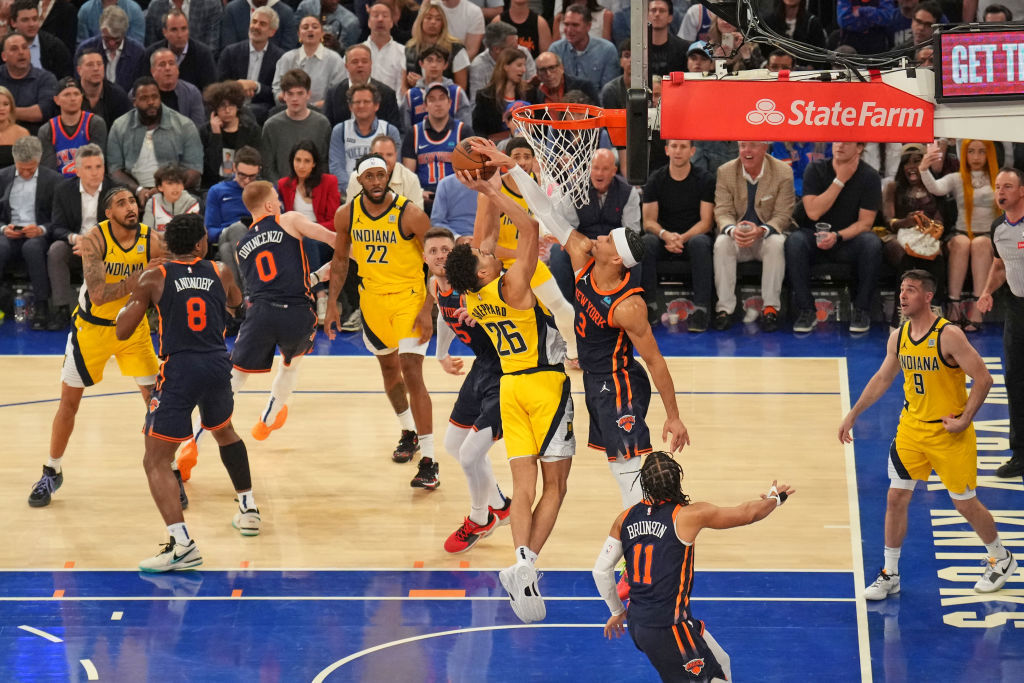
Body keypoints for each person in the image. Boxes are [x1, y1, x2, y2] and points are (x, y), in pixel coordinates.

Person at [498, 142, 689, 506]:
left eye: (605, 239)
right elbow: (546, 212)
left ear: (615, 258)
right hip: (594, 379)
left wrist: (675, 417)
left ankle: (638, 546)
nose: (597, 237)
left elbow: (656, 362)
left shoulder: (628, 306)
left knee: (629, 474)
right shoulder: (583, 261)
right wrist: (512, 167)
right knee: (621, 470)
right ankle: (632, 544)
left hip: (619, 384)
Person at [443, 143, 575, 624]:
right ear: (482, 270)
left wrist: (480, 192)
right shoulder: (513, 285)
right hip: (544, 387)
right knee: (556, 486)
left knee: (523, 488)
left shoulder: (475, 298)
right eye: (482, 257)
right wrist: (496, 188)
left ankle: (520, 562)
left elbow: (481, 242)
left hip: (511, 390)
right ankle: (527, 563)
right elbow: (530, 228)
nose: (487, 255)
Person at [840, 269, 1016, 598]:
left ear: (928, 296)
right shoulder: (900, 336)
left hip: (949, 433)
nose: (903, 296)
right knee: (896, 497)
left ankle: (1002, 558)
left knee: (965, 504)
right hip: (911, 430)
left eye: (910, 290)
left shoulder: (948, 335)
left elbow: (984, 378)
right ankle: (890, 573)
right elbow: (882, 379)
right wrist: (853, 414)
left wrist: (965, 419)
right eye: (901, 290)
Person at [114, 213, 256, 572]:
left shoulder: (154, 276)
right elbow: (237, 304)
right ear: (199, 245)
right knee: (224, 431)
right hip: (216, 363)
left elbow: (122, 330)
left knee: (155, 460)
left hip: (180, 369)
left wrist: (138, 293)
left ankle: (182, 545)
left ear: (168, 246)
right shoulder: (220, 271)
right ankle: (248, 508)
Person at [175, 180, 336, 480]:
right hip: (297, 315)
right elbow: (329, 238)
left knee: (232, 382)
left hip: (260, 314)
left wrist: (314, 276)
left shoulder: (241, 245)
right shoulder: (289, 220)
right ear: (272, 205)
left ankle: (191, 445)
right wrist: (355, 258)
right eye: (277, 198)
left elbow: (267, 287)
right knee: (290, 366)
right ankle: (267, 419)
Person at [593, 451, 793, 681]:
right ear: (677, 480)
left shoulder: (624, 518)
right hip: (668, 627)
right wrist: (775, 498)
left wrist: (617, 611)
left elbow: (600, 571)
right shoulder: (688, 515)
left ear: (644, 483)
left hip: (641, 625)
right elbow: (748, 513)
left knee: (721, 662)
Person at [26, 187, 163, 508]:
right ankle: (51, 470)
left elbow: (171, 269)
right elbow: (100, 294)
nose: (130, 207)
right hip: (92, 330)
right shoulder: (95, 239)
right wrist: (141, 277)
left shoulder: (151, 239)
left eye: (132, 201)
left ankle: (168, 468)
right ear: (108, 213)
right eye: (121, 203)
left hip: (134, 329)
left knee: (156, 403)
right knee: (68, 404)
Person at [325, 154, 437, 487]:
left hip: (409, 299)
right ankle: (409, 432)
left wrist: (428, 307)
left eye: (381, 175)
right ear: (358, 180)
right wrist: (331, 304)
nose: (376, 181)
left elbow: (437, 260)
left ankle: (430, 462)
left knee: (411, 371)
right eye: (369, 176)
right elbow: (341, 260)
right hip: (372, 301)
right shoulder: (346, 215)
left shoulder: (410, 214)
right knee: (389, 370)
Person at [424, 228, 512, 551]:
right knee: (453, 444)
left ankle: (480, 518)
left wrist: (486, 316)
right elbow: (445, 321)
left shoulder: (476, 289)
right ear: (425, 257)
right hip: (482, 367)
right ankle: (501, 505)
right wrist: (441, 354)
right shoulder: (436, 286)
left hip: (507, 371)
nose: (439, 256)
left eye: (445, 249)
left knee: (469, 455)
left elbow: (510, 311)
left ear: (456, 252)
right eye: (432, 251)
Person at [787, 141, 883, 334]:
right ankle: (807, 310)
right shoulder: (815, 169)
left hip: (847, 240)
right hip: (814, 238)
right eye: (837, 141)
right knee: (794, 242)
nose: (840, 146)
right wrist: (839, 181)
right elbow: (813, 213)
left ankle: (861, 310)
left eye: (847, 142)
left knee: (872, 243)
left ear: (859, 147)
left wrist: (838, 236)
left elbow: (865, 223)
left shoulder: (870, 176)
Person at [712, 141, 794, 333]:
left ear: (765, 148)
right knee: (722, 242)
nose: (746, 151)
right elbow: (722, 212)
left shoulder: (783, 172)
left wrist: (762, 230)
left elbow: (783, 215)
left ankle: (770, 309)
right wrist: (733, 230)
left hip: (765, 236)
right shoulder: (725, 171)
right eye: (742, 146)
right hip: (738, 237)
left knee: (776, 243)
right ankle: (724, 309)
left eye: (752, 146)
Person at [920, 140, 999, 332]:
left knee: (981, 243)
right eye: (971, 151)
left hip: (988, 236)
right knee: (962, 243)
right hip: (960, 233)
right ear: (964, 154)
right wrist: (923, 168)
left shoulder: (998, 177)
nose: (976, 157)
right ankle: (953, 306)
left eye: (981, 152)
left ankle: (977, 308)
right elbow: (936, 188)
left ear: (989, 153)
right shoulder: (957, 178)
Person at [977, 167, 1024, 478]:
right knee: (1015, 381)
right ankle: (1019, 454)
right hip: (1016, 309)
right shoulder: (998, 228)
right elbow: (998, 265)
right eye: (997, 186)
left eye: (1008, 186)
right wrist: (986, 292)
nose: (1001, 191)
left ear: (1021, 191)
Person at [641, 139, 715, 331]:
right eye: (674, 146)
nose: (678, 151)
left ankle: (701, 310)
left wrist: (681, 238)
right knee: (646, 242)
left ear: (692, 151)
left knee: (700, 243)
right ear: (666, 150)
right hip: (663, 240)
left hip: (691, 239)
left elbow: (707, 222)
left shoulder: (705, 179)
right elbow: (648, 221)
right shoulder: (655, 179)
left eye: (683, 147)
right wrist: (666, 235)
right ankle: (649, 306)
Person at [106, 76, 203, 207]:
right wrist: (139, 190)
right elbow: (114, 170)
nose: (151, 102)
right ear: (134, 102)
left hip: (177, 192)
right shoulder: (119, 126)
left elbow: (194, 169)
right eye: (144, 98)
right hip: (133, 193)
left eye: (154, 97)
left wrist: (167, 189)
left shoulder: (184, 125)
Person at [47, 143, 114, 331]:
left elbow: (123, 228)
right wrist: (77, 239)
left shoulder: (116, 190)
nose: (94, 172)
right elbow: (57, 227)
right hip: (76, 244)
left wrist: (94, 243)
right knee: (56, 250)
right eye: (88, 167)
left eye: (98, 167)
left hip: (105, 245)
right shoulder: (63, 190)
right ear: (77, 171)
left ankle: (103, 310)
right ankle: (61, 309)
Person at [0, 135, 62, 329]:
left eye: (31, 168)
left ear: (40, 159)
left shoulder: (54, 180)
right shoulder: (2, 177)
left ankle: (42, 305)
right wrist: (3, 228)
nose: (26, 172)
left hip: (38, 233)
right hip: (9, 232)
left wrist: (41, 229)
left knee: (33, 248)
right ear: (14, 160)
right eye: (21, 168)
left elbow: (60, 218)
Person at [278, 138, 341, 323]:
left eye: (307, 161)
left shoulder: (329, 182)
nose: (302, 165)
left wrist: (309, 230)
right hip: (294, 238)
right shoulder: (284, 184)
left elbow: (335, 221)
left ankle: (320, 295)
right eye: (298, 160)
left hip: (323, 239)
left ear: (314, 163)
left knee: (308, 241)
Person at [401, 81, 469, 211]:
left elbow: (470, 173)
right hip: (425, 197)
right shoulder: (414, 133)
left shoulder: (463, 131)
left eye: (442, 98)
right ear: (425, 106)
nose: (438, 103)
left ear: (450, 103)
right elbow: (408, 175)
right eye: (432, 100)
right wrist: (418, 192)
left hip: (455, 196)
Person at [215, 6, 286, 125]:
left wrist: (256, 86)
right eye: (254, 22)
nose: (256, 27)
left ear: (272, 32)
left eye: (262, 24)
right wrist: (237, 86)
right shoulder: (230, 52)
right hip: (231, 105)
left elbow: (277, 94)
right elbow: (218, 85)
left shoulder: (280, 57)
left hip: (263, 112)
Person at [260, 69, 331, 185]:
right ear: (283, 95)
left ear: (308, 94)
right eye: (290, 93)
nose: (295, 99)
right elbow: (267, 167)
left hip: (313, 191)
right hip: (281, 193)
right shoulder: (271, 126)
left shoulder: (322, 124)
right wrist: (282, 189)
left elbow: (324, 164)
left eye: (300, 93)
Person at [37, 77, 108, 179]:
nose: (73, 98)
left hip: (90, 182)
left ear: (82, 97)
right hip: (60, 188)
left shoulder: (94, 123)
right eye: (67, 95)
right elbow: (49, 172)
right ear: (57, 100)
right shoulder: (48, 130)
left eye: (76, 94)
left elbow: (97, 164)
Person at [271, 15, 346, 109]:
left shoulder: (334, 59)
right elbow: (277, 90)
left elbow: (337, 94)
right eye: (305, 27)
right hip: (289, 111)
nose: (310, 30)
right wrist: (290, 99)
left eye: (315, 27)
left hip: (323, 113)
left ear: (322, 33)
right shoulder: (287, 58)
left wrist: (312, 107)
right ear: (299, 34)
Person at [199, 81, 263, 188]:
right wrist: (216, 135)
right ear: (215, 109)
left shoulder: (251, 130)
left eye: (232, 105)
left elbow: (256, 162)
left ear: (238, 106)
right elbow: (213, 167)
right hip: (213, 185)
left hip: (245, 184)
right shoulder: (205, 131)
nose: (227, 110)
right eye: (222, 106)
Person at [323, 44, 402, 129]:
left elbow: (395, 129)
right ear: (346, 66)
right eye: (355, 62)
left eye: (364, 61)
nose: (360, 65)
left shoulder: (387, 93)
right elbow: (327, 127)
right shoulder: (334, 93)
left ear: (371, 64)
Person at [549, 4, 620, 95]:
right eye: (566, 24)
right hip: (564, 106)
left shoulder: (607, 50)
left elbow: (608, 92)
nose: (569, 30)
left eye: (575, 25)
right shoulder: (556, 50)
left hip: (596, 106)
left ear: (588, 26)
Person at [73, 6, 147, 94]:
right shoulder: (85, 49)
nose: (112, 43)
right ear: (101, 31)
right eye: (107, 38)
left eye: (117, 39)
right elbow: (78, 82)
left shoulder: (137, 52)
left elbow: (139, 87)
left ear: (124, 33)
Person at [472, 47, 539, 141]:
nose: (524, 70)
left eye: (524, 65)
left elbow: (539, 124)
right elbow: (479, 130)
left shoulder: (530, 93)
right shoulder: (485, 96)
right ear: (505, 66)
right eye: (519, 65)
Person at [144, 9, 218, 93]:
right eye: (174, 30)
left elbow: (211, 92)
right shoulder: (152, 54)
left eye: (184, 29)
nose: (180, 35)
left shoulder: (203, 54)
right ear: (165, 32)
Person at [401, 45, 472, 131]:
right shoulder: (410, 95)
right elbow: (405, 131)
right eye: (429, 60)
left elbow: (466, 129)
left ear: (445, 65)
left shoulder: (457, 93)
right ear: (421, 64)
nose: (434, 65)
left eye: (439, 61)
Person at [0, 31, 58, 136]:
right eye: (14, 49)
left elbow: (41, 112)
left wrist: (6, 112)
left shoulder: (45, 78)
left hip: (34, 140)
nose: (21, 52)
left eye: (24, 47)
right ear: (4, 56)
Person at [405, 1, 471, 92]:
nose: (433, 22)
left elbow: (461, 89)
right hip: (416, 102)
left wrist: (423, 84)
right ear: (421, 21)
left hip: (448, 103)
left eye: (438, 19)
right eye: (428, 18)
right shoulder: (409, 48)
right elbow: (403, 86)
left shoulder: (456, 49)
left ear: (443, 24)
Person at [344, 133, 424, 207]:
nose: (384, 159)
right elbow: (349, 214)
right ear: (370, 154)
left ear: (396, 156)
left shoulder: (411, 179)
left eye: (389, 155)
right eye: (379, 154)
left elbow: (418, 216)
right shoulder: (356, 177)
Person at [205, 146, 262, 245]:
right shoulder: (217, 191)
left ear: (259, 171)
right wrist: (230, 230)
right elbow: (210, 231)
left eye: (252, 176)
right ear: (234, 167)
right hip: (228, 236)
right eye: (242, 175)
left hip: (260, 237)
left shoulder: (267, 191)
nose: (247, 180)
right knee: (237, 230)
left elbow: (278, 224)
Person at [469, 20, 537, 99]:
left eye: (517, 43)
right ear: (497, 49)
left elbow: (532, 86)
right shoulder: (478, 66)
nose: (517, 49)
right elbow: (476, 103)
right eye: (512, 46)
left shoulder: (523, 53)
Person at [9, 0, 71, 79]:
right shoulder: (3, 47)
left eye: (35, 19)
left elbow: (66, 78)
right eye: (25, 20)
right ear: (13, 23)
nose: (31, 24)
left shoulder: (55, 47)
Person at [149, 47, 204, 131]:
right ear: (153, 71)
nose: (168, 68)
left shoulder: (192, 93)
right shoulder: (140, 94)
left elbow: (198, 128)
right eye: (162, 64)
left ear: (177, 69)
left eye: (171, 63)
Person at [75, 48, 132, 130]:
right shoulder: (70, 94)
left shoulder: (117, 96)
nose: (96, 68)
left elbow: (124, 130)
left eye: (99, 64)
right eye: (90, 65)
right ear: (79, 70)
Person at [141, 162, 201, 233]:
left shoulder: (191, 203)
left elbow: (191, 234)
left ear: (183, 186)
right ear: (160, 187)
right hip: (156, 243)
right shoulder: (152, 203)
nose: (175, 187)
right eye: (170, 183)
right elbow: (146, 233)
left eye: (178, 183)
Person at [363, 1, 407, 97]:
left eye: (385, 16)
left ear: (391, 22)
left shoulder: (403, 52)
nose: (380, 19)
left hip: (394, 108)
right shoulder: (357, 52)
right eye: (375, 15)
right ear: (369, 22)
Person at [144, 0, 222, 53]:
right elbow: (152, 49)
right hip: (164, 67)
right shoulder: (155, 6)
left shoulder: (211, 4)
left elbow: (212, 48)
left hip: (200, 65)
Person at [220, 0, 296, 51]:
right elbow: (228, 45)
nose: (256, 27)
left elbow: (287, 50)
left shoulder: (286, 13)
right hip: (237, 66)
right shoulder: (233, 9)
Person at [534, 50, 598, 104]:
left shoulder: (584, 87)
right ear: (538, 74)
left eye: (552, 68)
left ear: (561, 68)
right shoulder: (536, 94)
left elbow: (598, 115)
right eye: (542, 70)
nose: (548, 74)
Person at [0, 84, 29, 168]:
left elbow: (28, 166)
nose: (1, 108)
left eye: (6, 104)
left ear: (11, 107)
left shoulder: (22, 133)